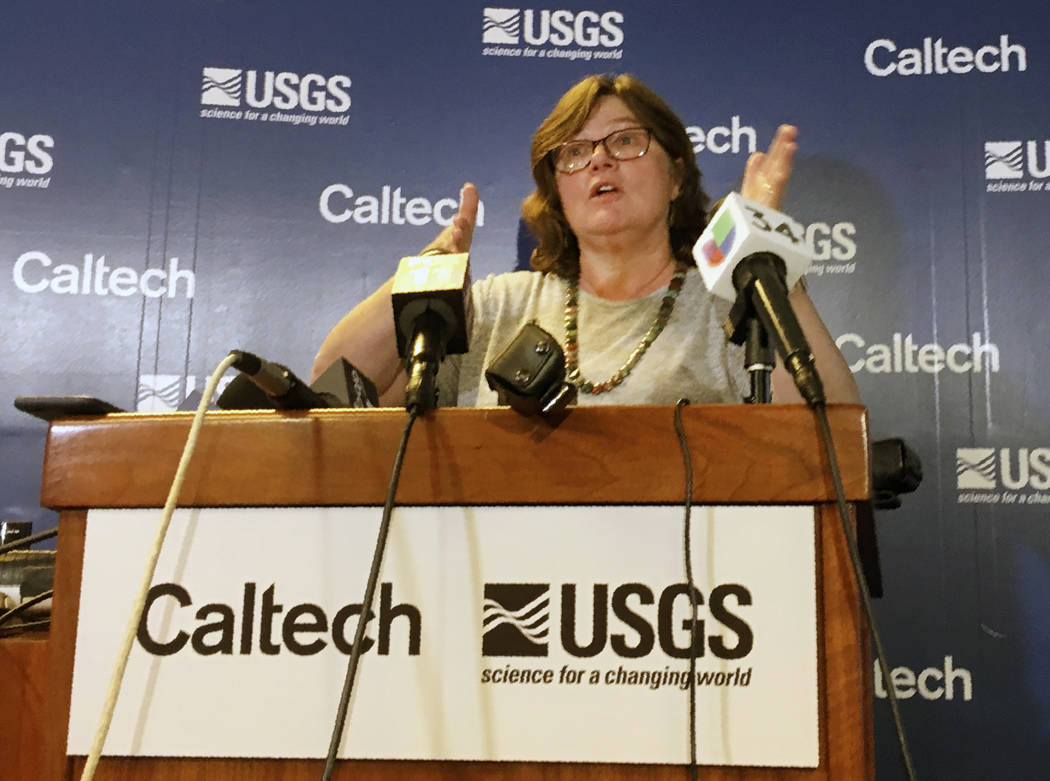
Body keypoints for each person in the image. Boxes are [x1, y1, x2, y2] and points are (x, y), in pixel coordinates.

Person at [311, 74, 860, 408]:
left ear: (675, 179)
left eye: (625, 140)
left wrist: (756, 252)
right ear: (558, 193)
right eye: (574, 152)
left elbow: (829, 429)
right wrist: (426, 275)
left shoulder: (728, 306)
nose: (598, 158)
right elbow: (336, 385)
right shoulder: (501, 305)